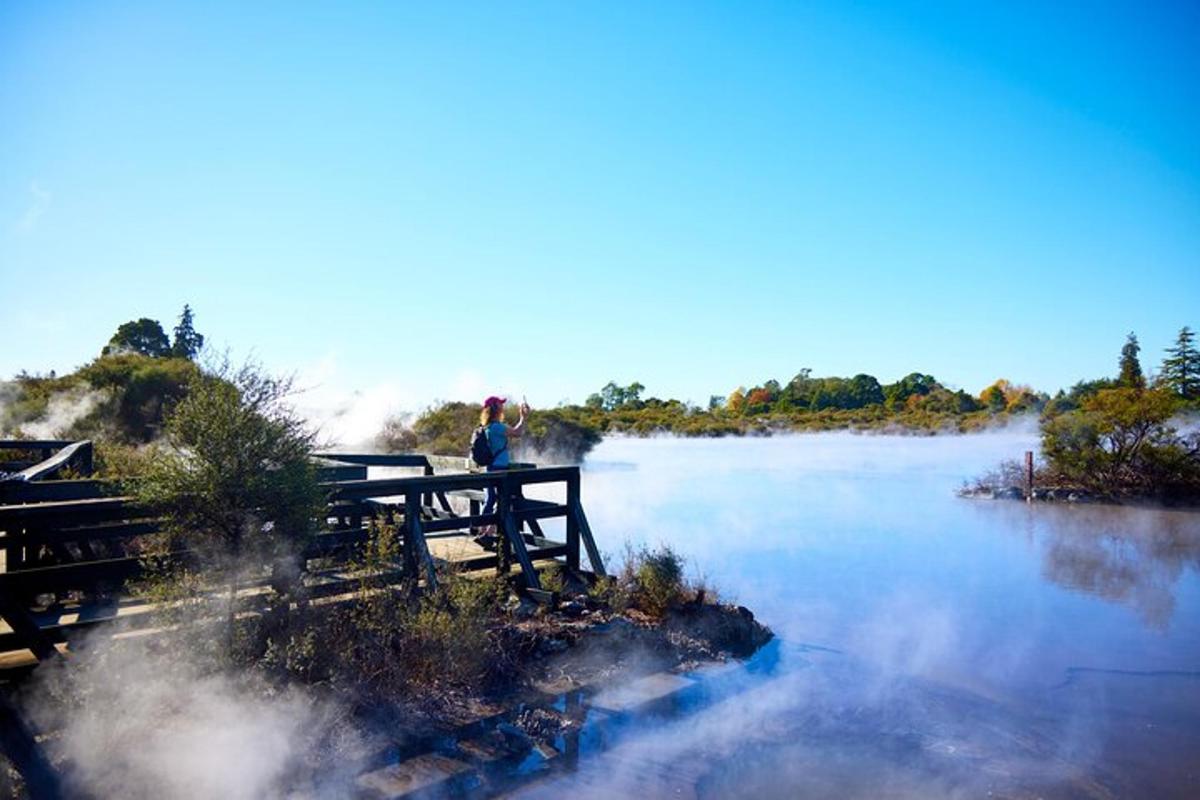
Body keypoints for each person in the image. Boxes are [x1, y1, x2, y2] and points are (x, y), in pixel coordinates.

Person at [479, 396, 530, 530]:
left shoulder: (487, 427)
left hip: (490, 468)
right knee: (501, 501)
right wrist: (523, 417)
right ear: (495, 408)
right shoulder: (497, 427)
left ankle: (483, 531)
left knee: (490, 500)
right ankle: (489, 533)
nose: (503, 407)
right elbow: (518, 433)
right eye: (500, 404)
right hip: (500, 468)